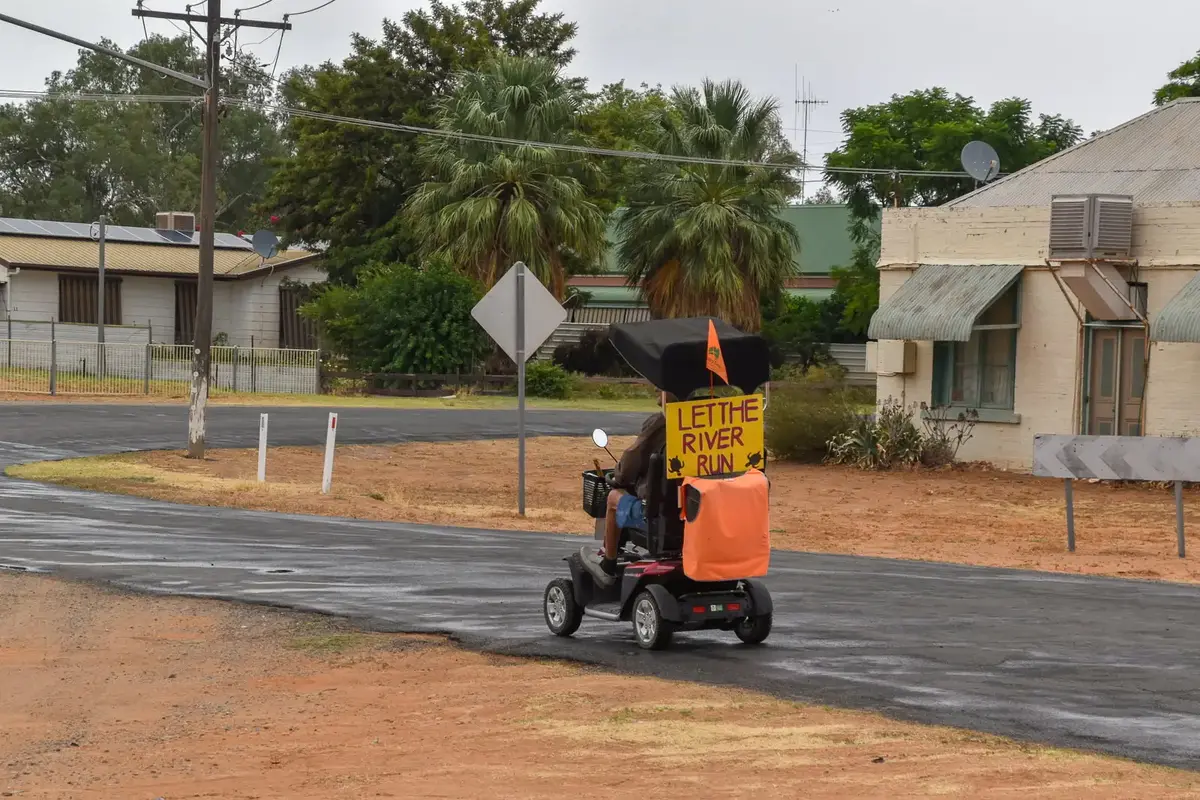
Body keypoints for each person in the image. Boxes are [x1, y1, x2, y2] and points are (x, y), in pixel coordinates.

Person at [580, 391, 675, 587]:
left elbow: (632, 460)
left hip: (660, 516)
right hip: (697, 512)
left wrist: (619, 476)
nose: (658, 390)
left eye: (662, 386)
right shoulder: (709, 421)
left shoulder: (662, 423)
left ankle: (608, 562)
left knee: (614, 496)